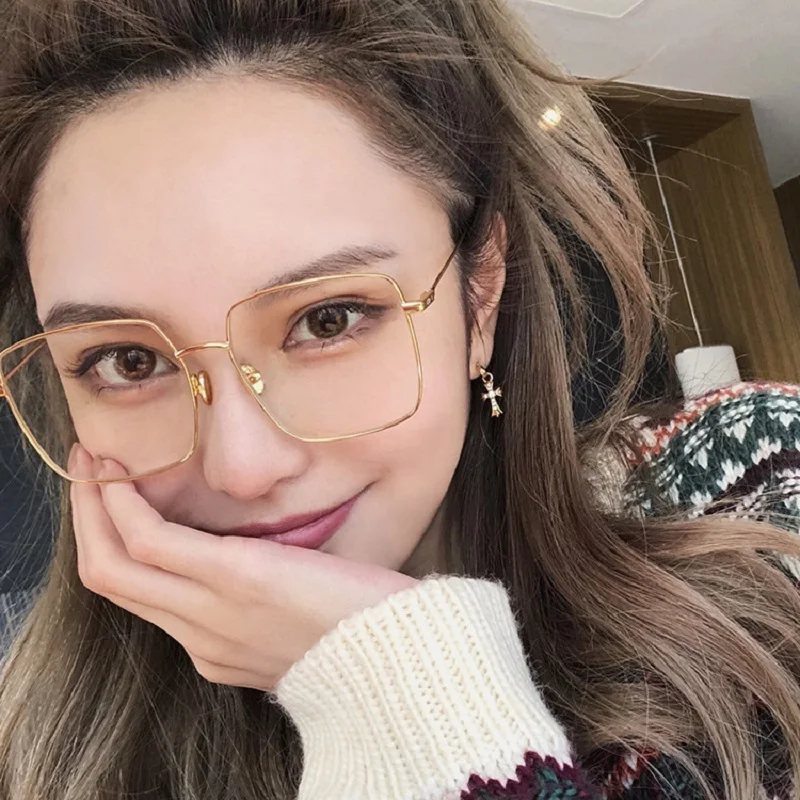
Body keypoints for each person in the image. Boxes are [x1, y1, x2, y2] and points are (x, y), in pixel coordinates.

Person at [0, 0, 799, 798]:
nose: (243, 468)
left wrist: (405, 701)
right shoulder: (40, 758)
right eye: (130, 362)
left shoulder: (758, 494)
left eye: (329, 319)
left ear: (479, 296)